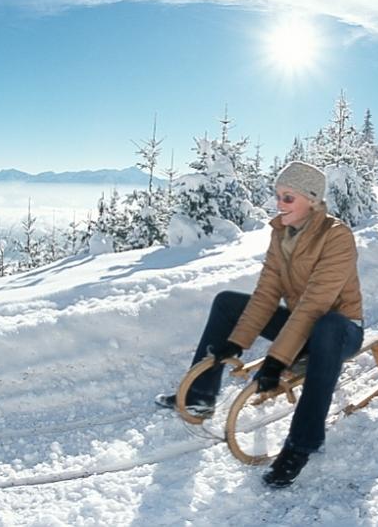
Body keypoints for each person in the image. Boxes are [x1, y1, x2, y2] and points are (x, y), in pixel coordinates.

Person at [155, 161, 364, 488]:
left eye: (288, 198)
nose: (279, 204)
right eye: (278, 196)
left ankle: (302, 444)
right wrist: (237, 341)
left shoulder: (337, 237)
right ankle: (201, 395)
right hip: (304, 325)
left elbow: (314, 305)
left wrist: (276, 361)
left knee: (327, 325)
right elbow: (267, 292)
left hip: (341, 329)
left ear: (312, 199)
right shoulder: (281, 233)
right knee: (228, 303)